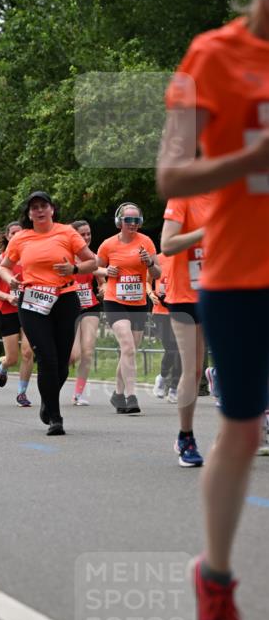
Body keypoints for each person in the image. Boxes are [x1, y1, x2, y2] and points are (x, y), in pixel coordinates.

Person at [157, 0, 269, 620]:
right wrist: (251, 160)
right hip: (237, 273)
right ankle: (217, 578)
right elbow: (170, 177)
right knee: (244, 428)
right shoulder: (212, 57)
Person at [0, 191, 97, 435]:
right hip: (32, 301)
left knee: (62, 363)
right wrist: (11, 280)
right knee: (46, 358)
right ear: (29, 213)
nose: (40, 211)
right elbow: (4, 267)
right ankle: (55, 417)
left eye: (44, 206)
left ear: (52, 209)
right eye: (34, 207)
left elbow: (92, 262)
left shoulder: (67, 232)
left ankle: (47, 399)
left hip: (65, 298)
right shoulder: (21, 238)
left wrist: (73, 268)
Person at [161, 194, 212, 465]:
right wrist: (207, 230)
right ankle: (186, 436)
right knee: (192, 368)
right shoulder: (183, 197)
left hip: (224, 290)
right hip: (186, 296)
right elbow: (167, 245)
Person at [97, 203, 161, 414]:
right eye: (128, 220)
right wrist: (107, 271)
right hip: (114, 300)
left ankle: (117, 394)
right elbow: (95, 267)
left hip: (138, 303)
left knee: (129, 350)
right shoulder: (107, 245)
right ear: (119, 222)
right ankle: (131, 396)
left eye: (136, 220)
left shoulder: (146, 242)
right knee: (128, 346)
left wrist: (149, 264)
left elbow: (158, 272)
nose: (133, 224)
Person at [0, 221, 34, 407]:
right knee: (13, 358)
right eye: (13, 233)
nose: (16, 236)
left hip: (30, 308)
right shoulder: (1, 259)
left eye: (20, 233)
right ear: (7, 236)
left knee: (28, 352)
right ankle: (3, 364)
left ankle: (22, 392)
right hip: (8, 310)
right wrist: (7, 296)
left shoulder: (32, 258)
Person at [68, 219, 104, 406]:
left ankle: (78, 394)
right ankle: (53, 377)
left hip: (90, 306)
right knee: (73, 355)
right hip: (69, 308)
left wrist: (104, 288)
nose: (86, 237)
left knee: (88, 351)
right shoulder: (65, 256)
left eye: (88, 233)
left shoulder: (93, 257)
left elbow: (101, 281)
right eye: (82, 234)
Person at [149, 255, 182, 402]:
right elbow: (147, 281)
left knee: (181, 350)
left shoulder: (185, 257)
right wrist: (150, 294)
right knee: (171, 348)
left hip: (181, 310)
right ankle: (162, 378)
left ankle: (174, 388)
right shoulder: (157, 259)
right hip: (161, 312)